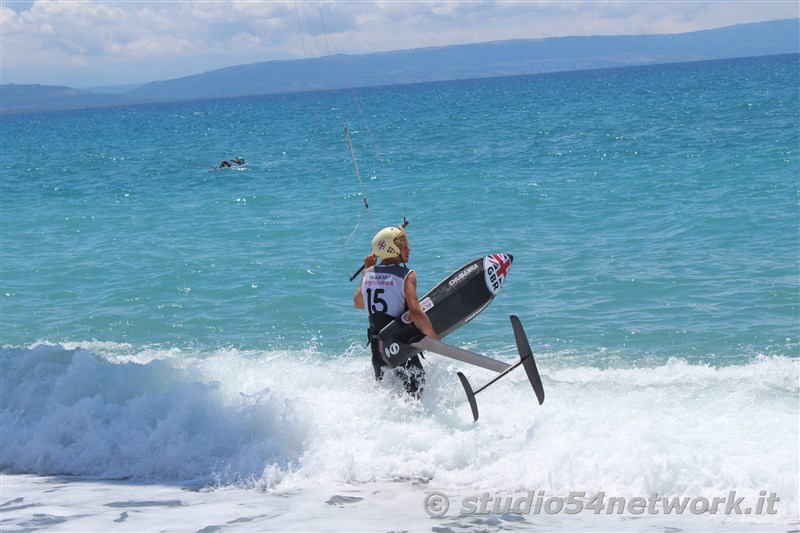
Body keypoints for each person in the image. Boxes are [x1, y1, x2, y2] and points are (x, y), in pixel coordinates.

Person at [354, 226, 439, 397]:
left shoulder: (368, 273)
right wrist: (434, 338)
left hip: (378, 349)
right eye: (404, 246)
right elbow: (415, 312)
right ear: (392, 249)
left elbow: (358, 303)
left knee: (387, 398)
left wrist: (367, 270)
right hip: (400, 346)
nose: (409, 249)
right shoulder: (407, 275)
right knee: (416, 397)